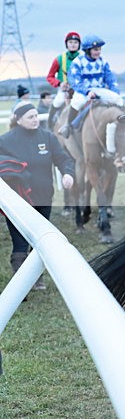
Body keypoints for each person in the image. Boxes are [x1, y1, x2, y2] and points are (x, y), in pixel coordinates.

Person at [0, 102, 75, 291]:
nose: (35, 120)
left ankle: (37, 278)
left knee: (39, 240)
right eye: (30, 117)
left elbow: (63, 158)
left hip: (44, 197)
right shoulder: (5, 140)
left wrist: (67, 173)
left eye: (36, 116)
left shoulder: (48, 137)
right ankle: (20, 285)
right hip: (17, 201)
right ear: (18, 119)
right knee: (19, 242)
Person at [59, 35, 124, 137]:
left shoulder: (103, 61)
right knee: (77, 102)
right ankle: (68, 127)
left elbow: (110, 77)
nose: (98, 52)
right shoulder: (78, 62)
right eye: (95, 50)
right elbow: (75, 81)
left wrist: (114, 90)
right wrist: (87, 92)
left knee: (118, 99)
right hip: (83, 91)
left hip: (99, 90)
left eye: (99, 49)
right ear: (87, 50)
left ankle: (124, 122)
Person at [46, 31, 82, 126]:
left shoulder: (84, 58)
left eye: (75, 42)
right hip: (64, 91)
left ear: (79, 45)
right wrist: (59, 84)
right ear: (66, 44)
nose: (73, 45)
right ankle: (50, 125)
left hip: (80, 90)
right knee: (57, 102)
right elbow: (50, 76)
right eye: (70, 42)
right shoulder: (59, 59)